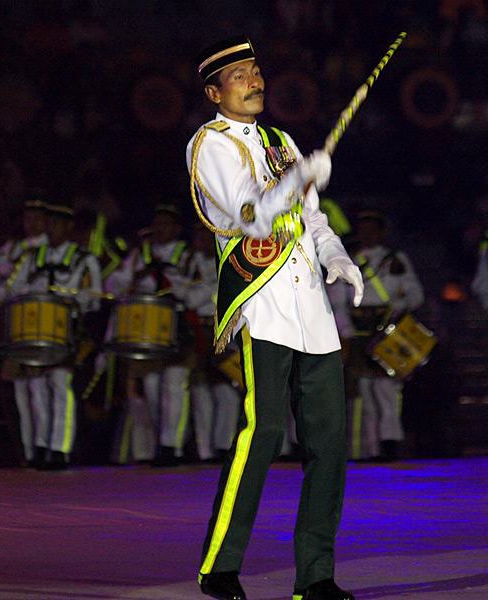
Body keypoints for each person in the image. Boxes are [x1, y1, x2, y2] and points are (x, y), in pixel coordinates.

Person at [186, 36, 364, 600]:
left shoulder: (281, 141)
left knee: (330, 445)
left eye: (257, 71)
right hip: (262, 307)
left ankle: (315, 577)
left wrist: (335, 253)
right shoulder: (209, 144)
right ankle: (219, 566)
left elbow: (309, 219)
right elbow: (253, 215)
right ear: (215, 92)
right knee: (261, 434)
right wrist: (299, 178)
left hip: (312, 308)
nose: (254, 81)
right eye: (239, 76)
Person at [0, 202, 103, 469]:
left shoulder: (83, 258)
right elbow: (5, 293)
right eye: (48, 223)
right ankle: (42, 448)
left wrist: (71, 297)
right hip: (34, 332)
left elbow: (95, 298)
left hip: (64, 331)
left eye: (55, 224)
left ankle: (61, 449)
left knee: (60, 386)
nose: (50, 229)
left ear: (68, 227)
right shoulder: (31, 257)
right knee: (37, 390)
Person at [329, 210, 424, 462]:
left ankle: (389, 444)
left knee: (387, 389)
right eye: (363, 229)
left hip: (388, 331)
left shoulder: (396, 260)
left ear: (382, 232)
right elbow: (337, 302)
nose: (368, 234)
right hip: (358, 334)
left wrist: (397, 309)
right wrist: (347, 332)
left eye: (373, 229)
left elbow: (415, 294)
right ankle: (366, 448)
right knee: (362, 392)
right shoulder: (346, 261)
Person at [105, 204, 194, 466]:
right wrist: (132, 277)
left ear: (177, 229)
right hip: (147, 332)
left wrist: (174, 286)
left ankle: (173, 447)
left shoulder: (189, 256)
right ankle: (163, 443)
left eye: (166, 224)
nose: (160, 229)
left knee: (175, 386)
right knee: (153, 389)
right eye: (157, 224)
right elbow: (113, 284)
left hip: (178, 328)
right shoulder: (138, 256)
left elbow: (199, 290)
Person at [0, 198, 49, 466]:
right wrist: (5, 269)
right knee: (20, 392)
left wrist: (16, 283)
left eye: (37, 218)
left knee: (39, 390)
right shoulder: (13, 248)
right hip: (14, 326)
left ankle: (45, 449)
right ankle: (28, 452)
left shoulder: (47, 248)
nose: (31, 223)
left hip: (39, 323)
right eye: (27, 218)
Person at [184, 222, 242, 464]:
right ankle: (204, 451)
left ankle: (223, 447)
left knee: (227, 391)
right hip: (196, 331)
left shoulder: (231, 257)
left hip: (225, 330)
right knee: (200, 393)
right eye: (200, 234)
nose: (204, 239)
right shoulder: (187, 262)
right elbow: (185, 296)